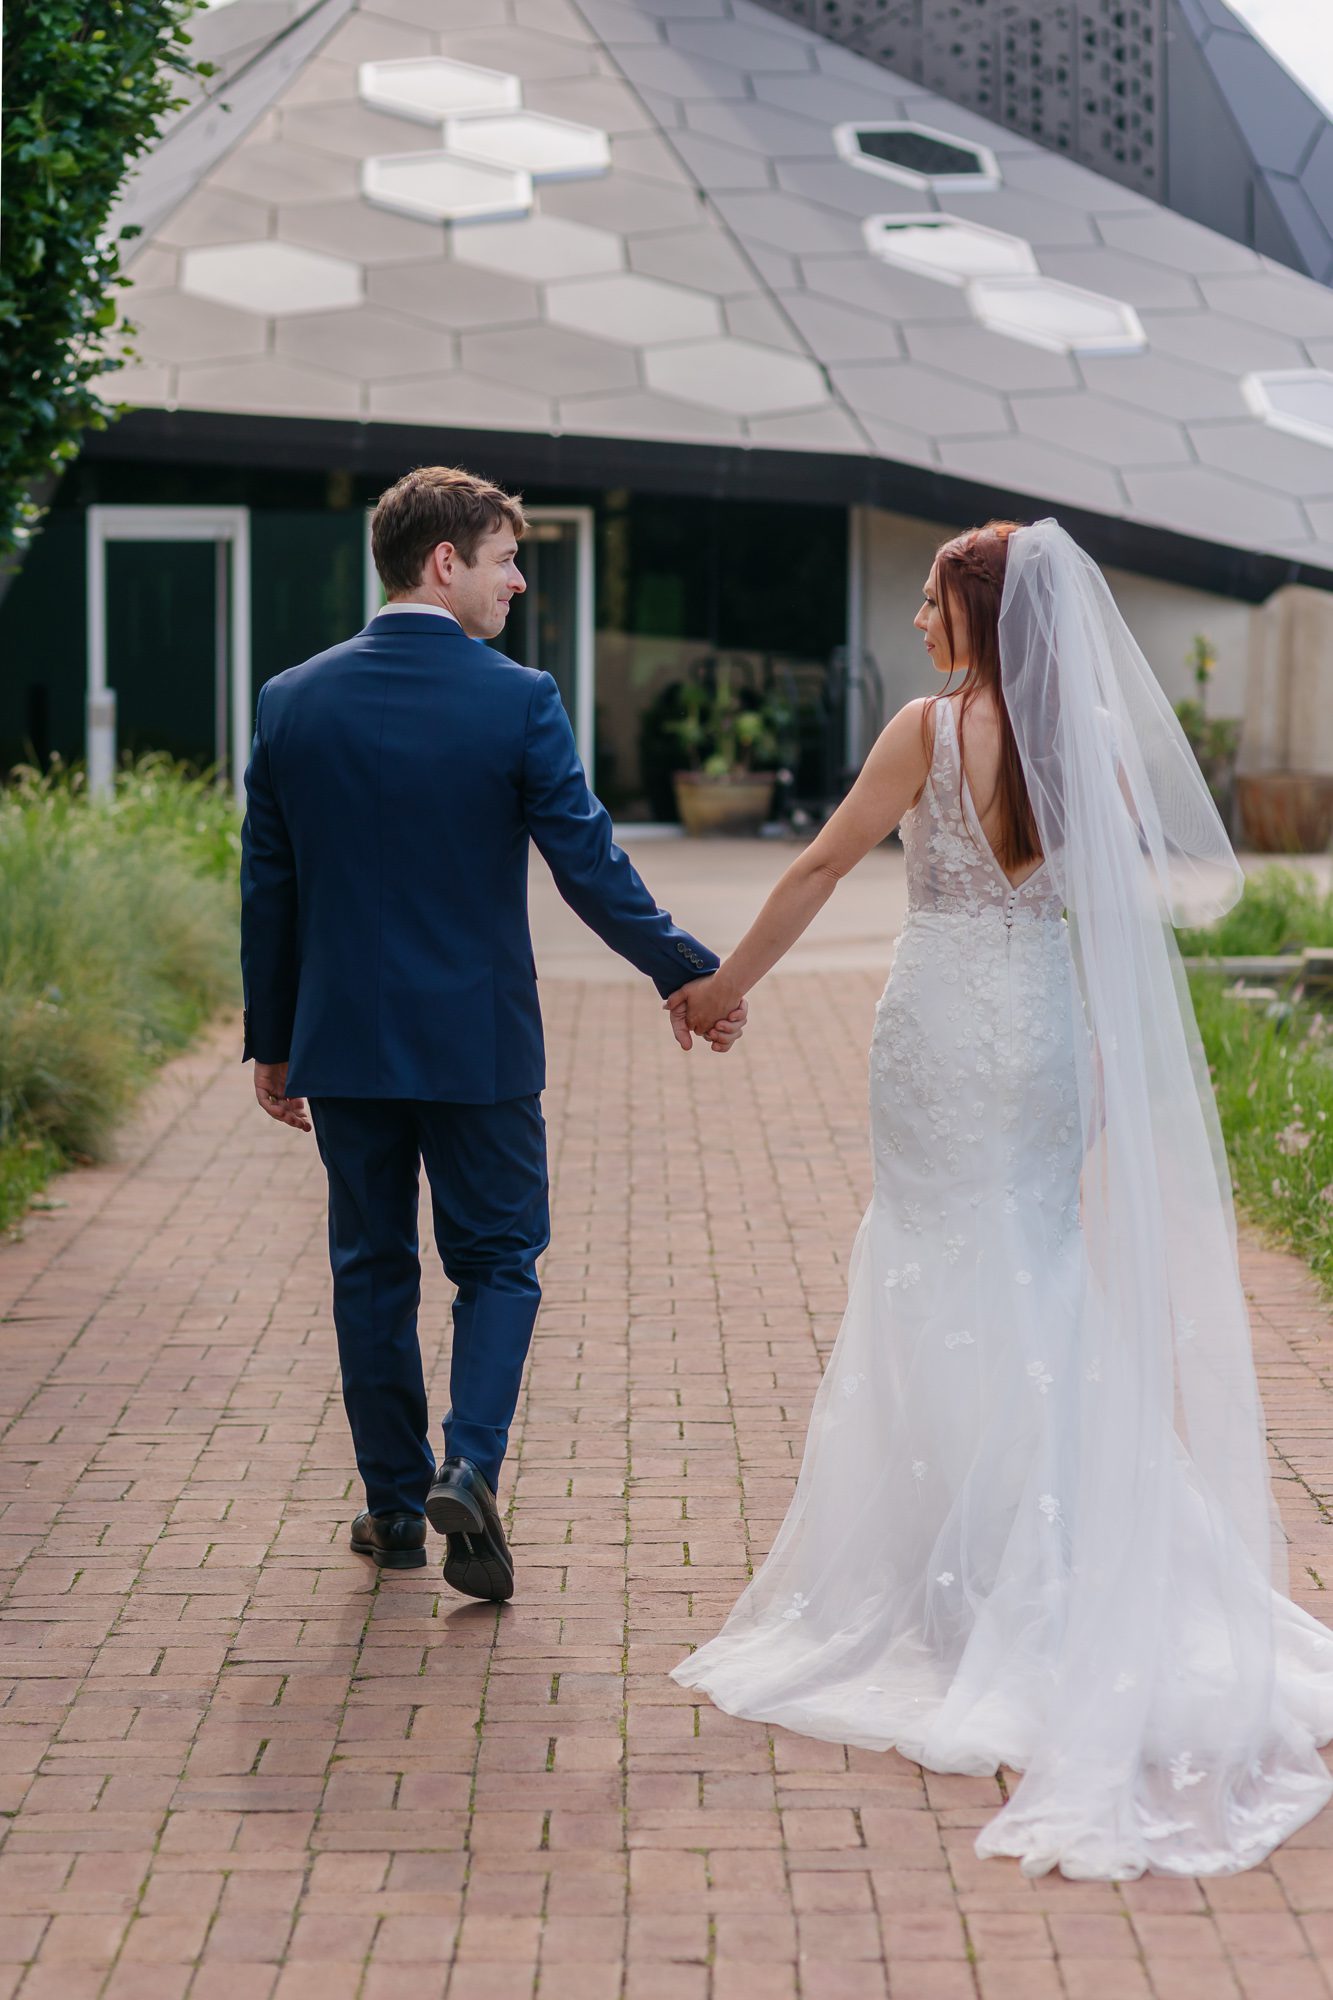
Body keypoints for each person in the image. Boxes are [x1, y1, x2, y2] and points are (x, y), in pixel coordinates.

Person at [666, 517, 1333, 1879]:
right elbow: (1120, 903)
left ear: (981, 613)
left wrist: (722, 986)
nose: (917, 621)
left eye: (932, 600)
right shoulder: (1077, 726)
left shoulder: (926, 727)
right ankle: (1049, 1560)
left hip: (938, 1025)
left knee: (927, 1267)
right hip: (1038, 1032)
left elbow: (816, 864)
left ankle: (962, 1587)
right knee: (1032, 1275)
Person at [240, 465, 745, 1604]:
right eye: (506, 559)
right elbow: (588, 868)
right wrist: (687, 970)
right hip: (477, 1041)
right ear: (443, 563)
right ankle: (469, 1462)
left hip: (345, 1043)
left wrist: (273, 1039)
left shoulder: (290, 700)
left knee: (370, 1269)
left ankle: (391, 1507)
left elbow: (268, 889)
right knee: (499, 1259)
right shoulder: (518, 700)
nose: (518, 581)